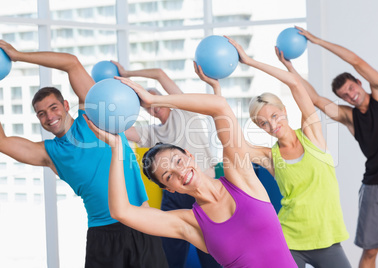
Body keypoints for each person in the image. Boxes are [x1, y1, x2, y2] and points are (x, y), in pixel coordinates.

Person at [84, 65, 297, 268]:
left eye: (178, 161)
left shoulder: (240, 178)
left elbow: (219, 106)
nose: (180, 172)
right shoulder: (190, 223)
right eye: (168, 176)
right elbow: (121, 211)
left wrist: (153, 98)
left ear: (189, 155)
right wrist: (116, 147)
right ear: (170, 189)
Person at [0, 40, 168, 268]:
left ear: (66, 105)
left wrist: (18, 55)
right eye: (41, 114)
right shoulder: (49, 153)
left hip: (142, 222)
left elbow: (71, 64)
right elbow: (3, 142)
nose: (49, 117)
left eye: (53, 108)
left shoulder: (95, 117)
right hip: (103, 233)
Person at [224, 37, 351, 268]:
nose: (272, 126)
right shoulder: (270, 156)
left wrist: (250, 61)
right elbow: (232, 143)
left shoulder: (312, 135)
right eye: (263, 124)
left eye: (274, 116)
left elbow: (295, 84)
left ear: (284, 110)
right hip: (288, 240)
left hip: (327, 239)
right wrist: (215, 90)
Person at [285, 26, 378, 268]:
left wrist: (317, 41)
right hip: (374, 188)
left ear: (359, 83)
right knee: (370, 252)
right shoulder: (350, 118)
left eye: (351, 88)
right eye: (344, 95)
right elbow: (315, 100)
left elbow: (356, 61)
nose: (350, 95)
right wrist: (290, 69)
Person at [111, 62, 221, 267]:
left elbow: (160, 73)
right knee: (169, 252)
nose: (153, 106)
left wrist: (127, 73)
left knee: (212, 251)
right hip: (176, 193)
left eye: (154, 99)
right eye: (147, 106)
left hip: (203, 185)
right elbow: (120, 132)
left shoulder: (185, 112)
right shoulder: (153, 132)